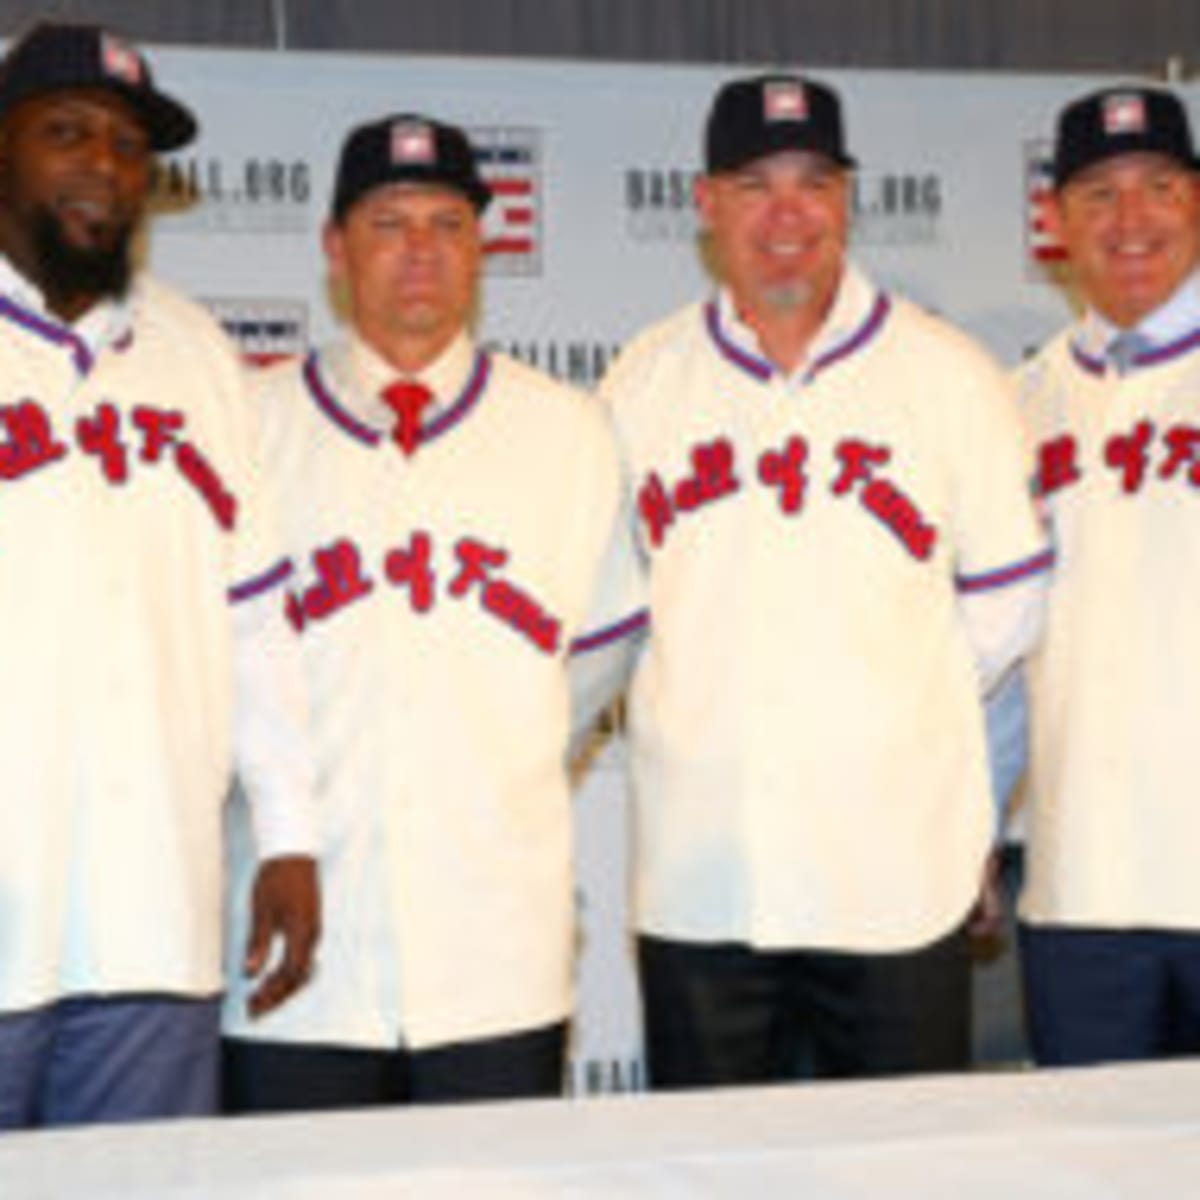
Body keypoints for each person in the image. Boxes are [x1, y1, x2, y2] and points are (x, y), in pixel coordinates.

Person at [600, 72, 1052, 1088]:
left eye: (814, 181)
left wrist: (902, 706)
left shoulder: (948, 374)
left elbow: (1013, 601)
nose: (788, 213)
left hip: (892, 875)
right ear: (706, 203)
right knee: (708, 1174)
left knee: (900, 1170)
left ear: (849, 197)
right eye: (755, 184)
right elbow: (605, 619)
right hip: (701, 881)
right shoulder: (644, 380)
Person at [220, 112, 641, 1111]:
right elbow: (215, 670)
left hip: (495, 952)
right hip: (294, 956)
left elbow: (593, 670)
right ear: (335, 246)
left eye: (447, 224)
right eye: (388, 222)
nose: (420, 252)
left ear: (480, 245)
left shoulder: (568, 431)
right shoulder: (250, 423)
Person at [0, 22, 319, 1130]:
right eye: (67, 133)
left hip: (151, 917)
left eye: (132, 146)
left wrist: (287, 833)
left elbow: (256, 616)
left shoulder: (201, 359)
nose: (104, 167)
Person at [1017, 85, 1200, 1066]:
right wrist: (965, 830)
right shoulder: (1021, 401)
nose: (1131, 221)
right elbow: (1002, 653)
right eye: (1098, 195)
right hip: (1081, 887)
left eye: (1158, 187)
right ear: (1055, 222)